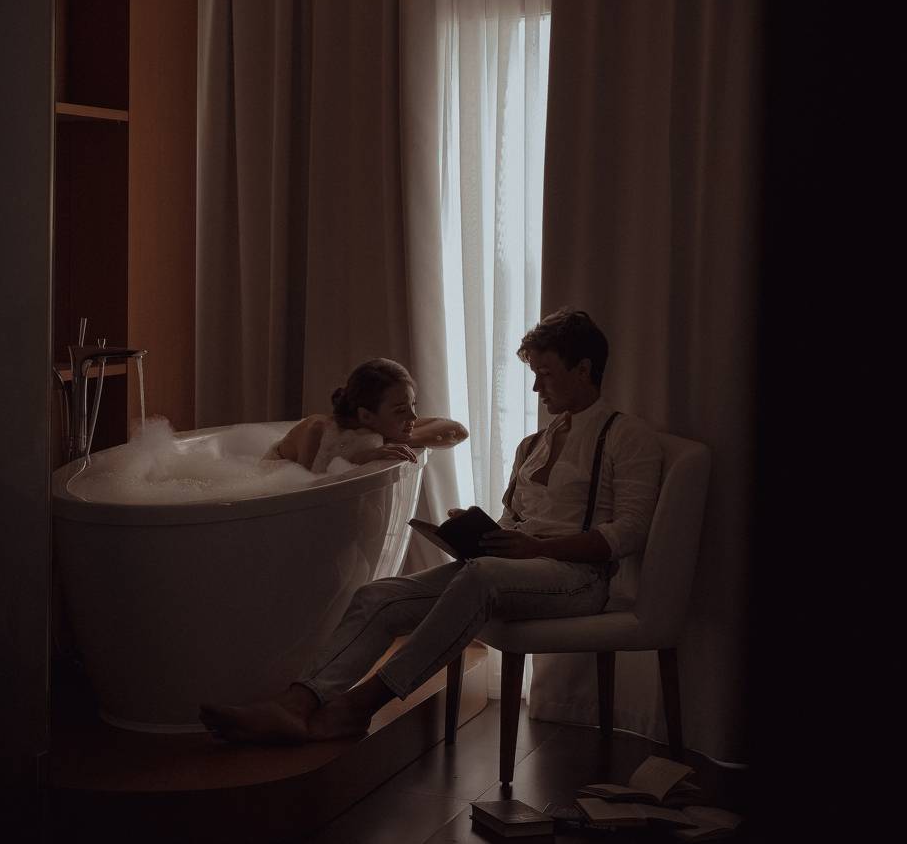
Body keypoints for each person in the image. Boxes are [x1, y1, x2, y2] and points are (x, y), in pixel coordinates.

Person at [200, 308, 662, 744]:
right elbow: (513, 519)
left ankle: (360, 705)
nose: (537, 388)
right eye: (534, 374)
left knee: (482, 576)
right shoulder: (533, 444)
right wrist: (480, 532)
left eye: (546, 374)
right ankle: (296, 704)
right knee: (379, 596)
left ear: (583, 369)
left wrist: (534, 549)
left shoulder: (626, 436)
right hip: (512, 571)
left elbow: (630, 532)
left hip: (578, 580)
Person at [264, 358, 469, 473]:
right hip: (267, 480)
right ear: (366, 416)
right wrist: (361, 457)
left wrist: (397, 439)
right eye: (400, 410)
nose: (413, 417)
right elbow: (304, 494)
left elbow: (458, 431)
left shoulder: (382, 426)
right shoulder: (317, 429)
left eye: (413, 405)